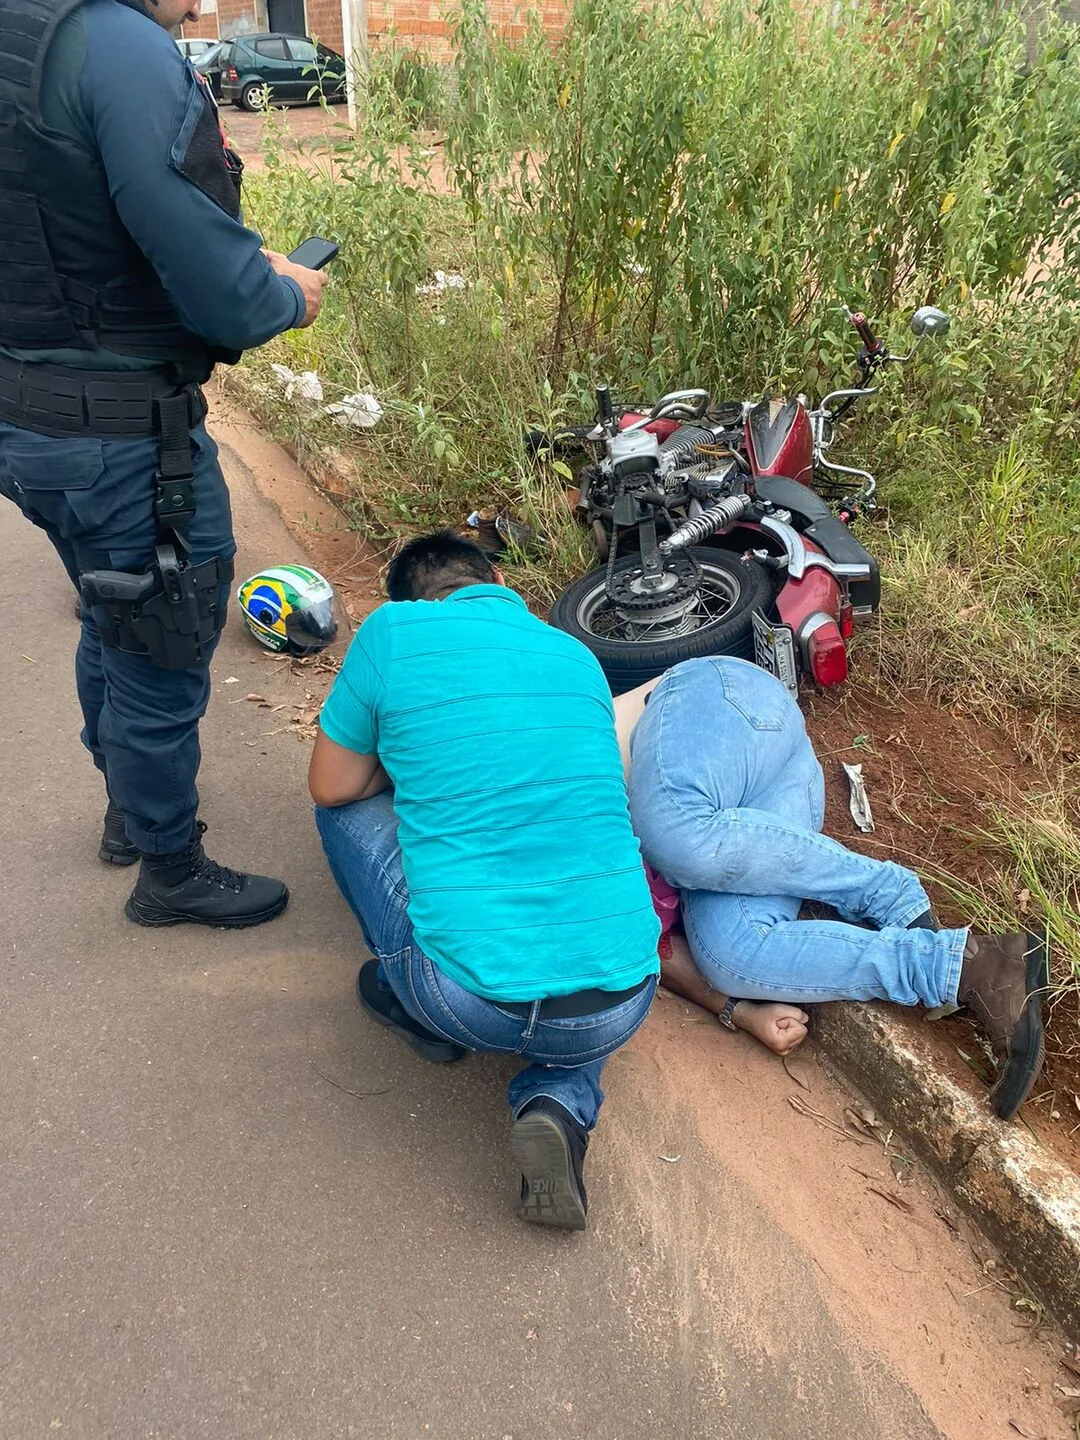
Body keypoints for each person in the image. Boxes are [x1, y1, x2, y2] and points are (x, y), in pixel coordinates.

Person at [0, 0, 328, 927]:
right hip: (120, 440)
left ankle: (126, 813)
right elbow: (226, 303)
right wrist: (285, 293)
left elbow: (72, 216)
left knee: (112, 612)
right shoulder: (119, 46)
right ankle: (168, 869)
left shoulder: (24, 38)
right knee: (160, 641)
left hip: (29, 416)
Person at [308, 532, 661, 1231]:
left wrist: (394, 760)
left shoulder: (391, 633)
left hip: (463, 1000)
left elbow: (331, 784)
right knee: (578, 962)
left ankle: (410, 999)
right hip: (623, 998)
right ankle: (559, 1101)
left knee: (340, 813)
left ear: (411, 599)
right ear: (499, 581)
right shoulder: (577, 655)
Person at [616, 657, 1048, 1121]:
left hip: (711, 705)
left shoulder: (538, 843)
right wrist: (738, 1011)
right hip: (774, 788)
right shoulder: (588, 926)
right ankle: (966, 967)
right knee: (728, 953)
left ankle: (888, 892)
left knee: (675, 836)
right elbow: (653, 948)